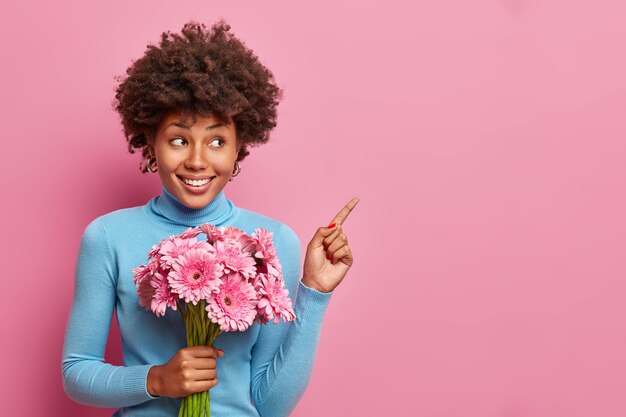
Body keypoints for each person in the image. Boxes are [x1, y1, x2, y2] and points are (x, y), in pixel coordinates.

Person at [61, 20, 358, 417]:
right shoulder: (107, 237)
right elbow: (76, 373)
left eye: (217, 141)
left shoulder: (272, 242)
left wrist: (314, 293)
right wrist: (156, 380)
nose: (198, 160)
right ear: (151, 143)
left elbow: (271, 405)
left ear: (240, 147)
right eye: (179, 139)